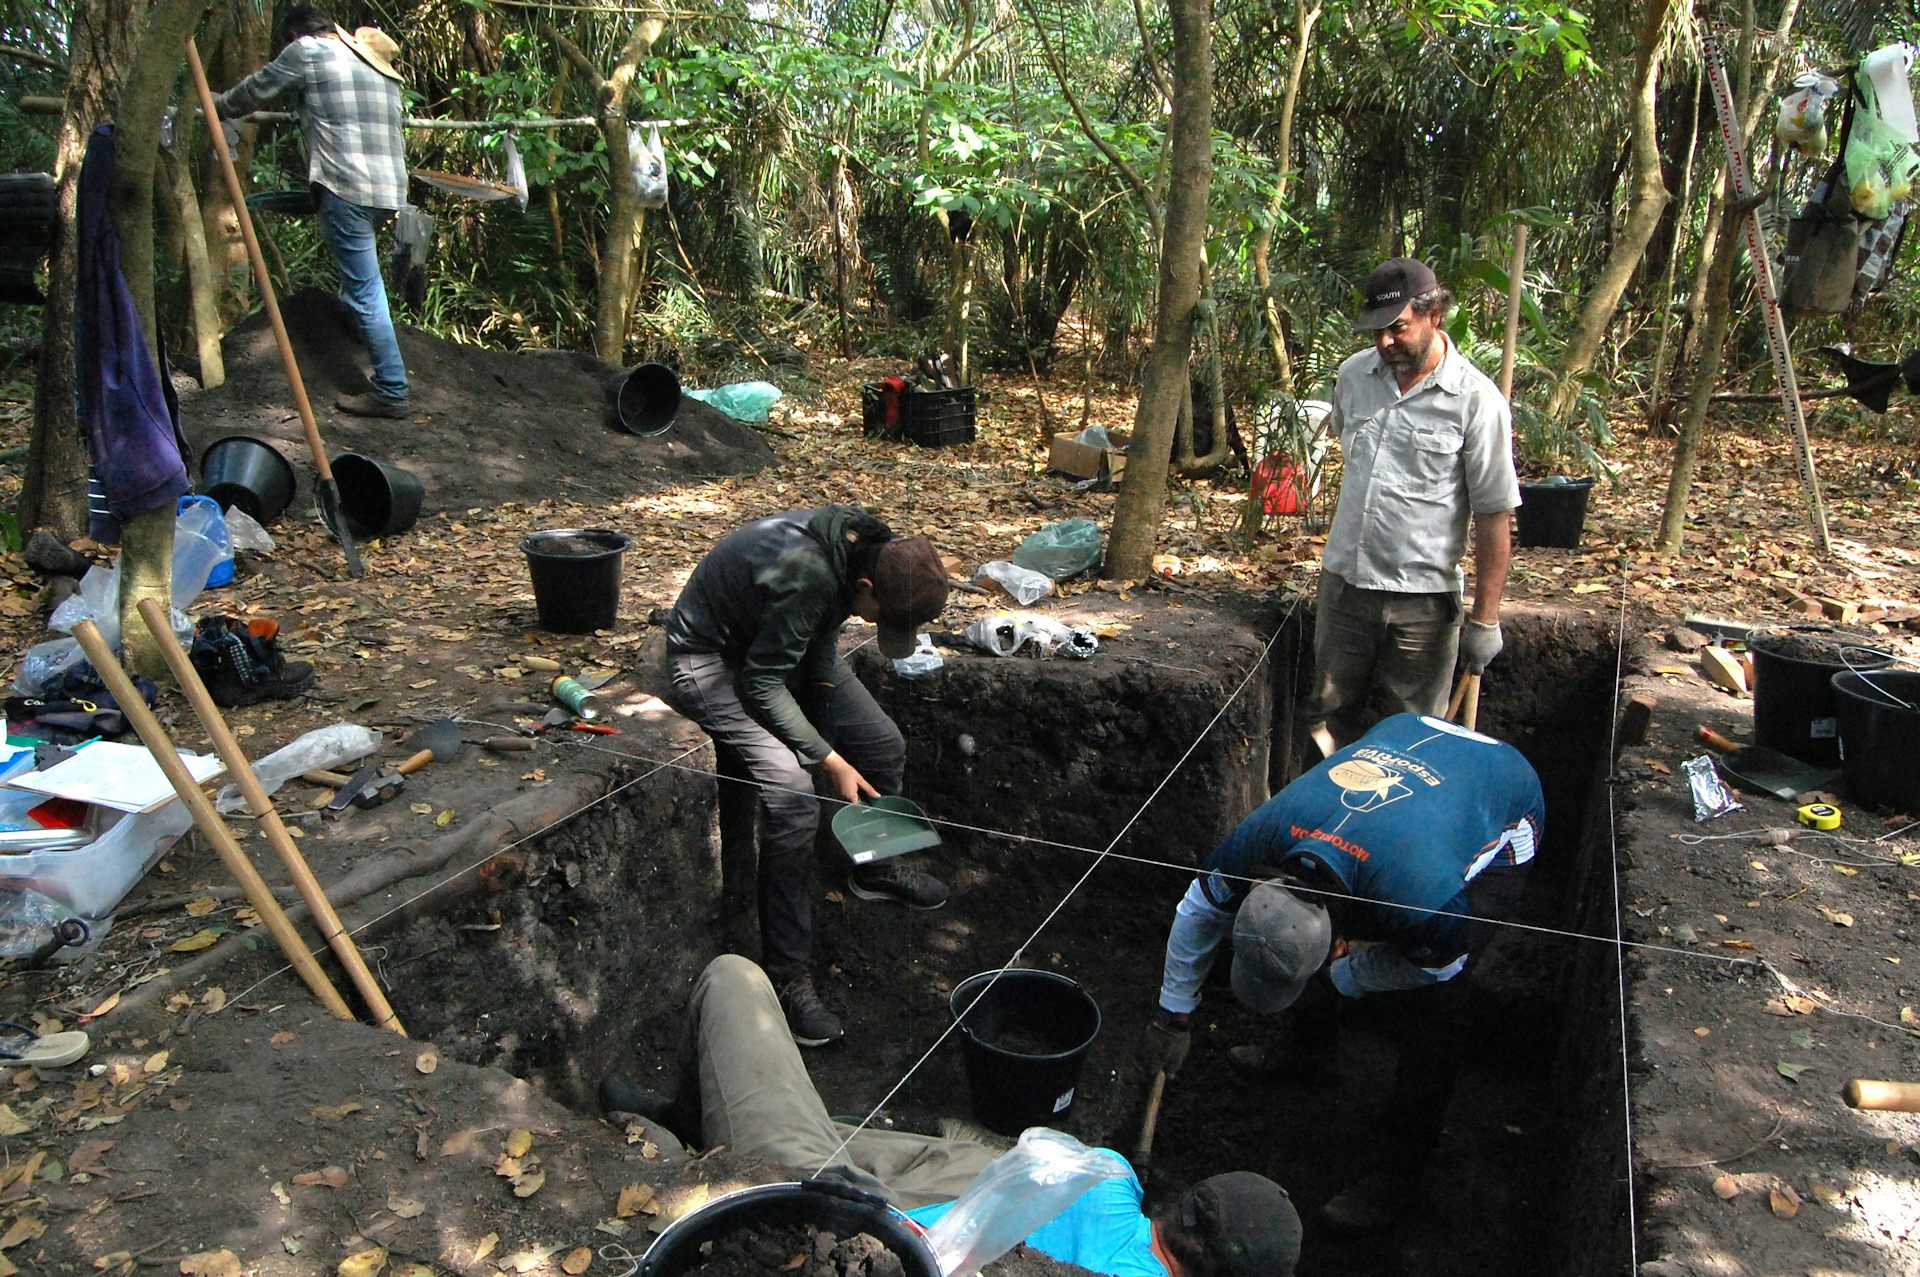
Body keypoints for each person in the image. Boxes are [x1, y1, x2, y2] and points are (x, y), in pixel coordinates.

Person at [605, 954, 1302, 1277]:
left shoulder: (1109, 1174)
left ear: (1182, 1203)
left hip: (871, 1220)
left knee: (735, 977)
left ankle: (666, 1146)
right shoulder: (1111, 1173)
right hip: (943, 1187)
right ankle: (700, 1124)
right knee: (828, 1123)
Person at [1142, 712, 1544, 1232]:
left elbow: (1440, 968)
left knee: (1444, 1007)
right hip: (1407, 735)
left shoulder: (1426, 905)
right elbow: (1199, 909)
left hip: (1508, 799)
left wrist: (1346, 975)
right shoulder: (1259, 837)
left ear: (1334, 941)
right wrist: (1172, 1015)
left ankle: (1400, 1175)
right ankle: (1310, 1054)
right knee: (1345, 937)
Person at [661, 506, 952, 1047]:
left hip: (780, 643)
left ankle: (873, 867)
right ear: (866, 586)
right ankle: (787, 976)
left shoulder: (864, 544)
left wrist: (823, 718)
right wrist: (828, 760)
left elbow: (822, 630)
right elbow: (764, 682)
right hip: (712, 658)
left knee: (883, 744)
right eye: (880, 616)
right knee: (794, 798)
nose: (875, 626)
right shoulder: (810, 573)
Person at [1307, 257, 1521, 749]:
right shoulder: (1354, 376)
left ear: (1434, 314)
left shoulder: (1476, 401)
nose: (1384, 342)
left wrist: (1485, 619)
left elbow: (1493, 515)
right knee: (1325, 718)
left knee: (1416, 738)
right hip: (1345, 590)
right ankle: (1321, 825)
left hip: (1422, 605)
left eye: (1397, 328)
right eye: (1375, 331)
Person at [215, 6, 413, 419]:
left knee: (364, 289)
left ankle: (392, 388)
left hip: (346, 186)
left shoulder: (306, 52)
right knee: (362, 280)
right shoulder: (375, 64)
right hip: (388, 191)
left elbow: (257, 90)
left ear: (294, 35)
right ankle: (361, 336)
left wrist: (220, 104)